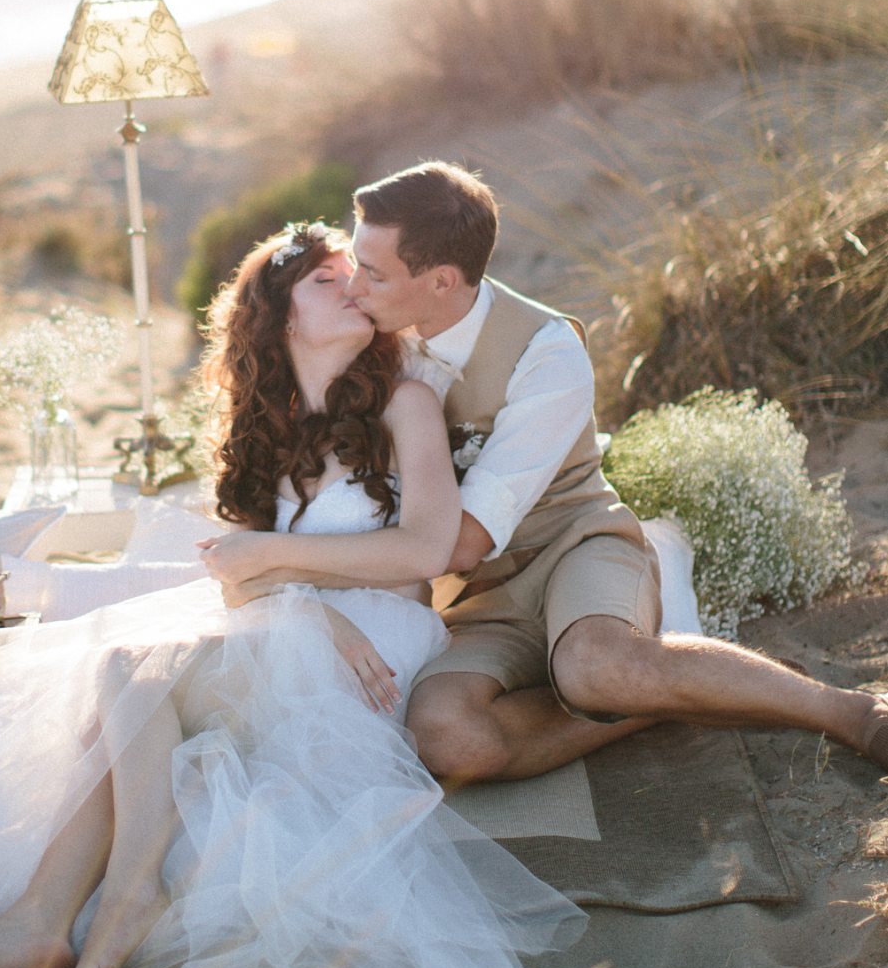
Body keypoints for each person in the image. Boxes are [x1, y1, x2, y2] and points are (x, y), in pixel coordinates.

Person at [0, 223, 585, 968]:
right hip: (296, 628)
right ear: (280, 316)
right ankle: (49, 917)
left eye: (352, 274)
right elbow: (238, 581)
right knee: (121, 686)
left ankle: (95, 901)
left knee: (127, 671)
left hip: (376, 648)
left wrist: (280, 574)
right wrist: (302, 601)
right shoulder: (269, 431)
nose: (353, 286)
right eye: (327, 279)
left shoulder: (404, 403)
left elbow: (424, 550)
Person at [203, 162, 888, 784]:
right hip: (479, 598)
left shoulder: (546, 351)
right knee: (445, 737)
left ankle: (849, 712)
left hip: (572, 548)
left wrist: (270, 562)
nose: (355, 287)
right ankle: (669, 697)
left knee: (595, 665)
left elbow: (456, 542)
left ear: (439, 281)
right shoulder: (378, 343)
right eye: (355, 266)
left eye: (373, 274)